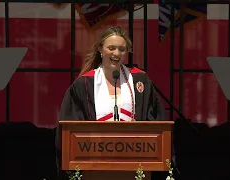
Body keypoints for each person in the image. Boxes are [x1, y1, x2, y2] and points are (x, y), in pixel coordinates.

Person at [55, 25, 167, 179]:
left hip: (135, 159)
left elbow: (155, 118)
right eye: (111, 48)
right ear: (100, 49)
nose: (116, 53)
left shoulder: (139, 80)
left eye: (122, 49)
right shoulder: (85, 84)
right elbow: (71, 126)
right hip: (94, 162)